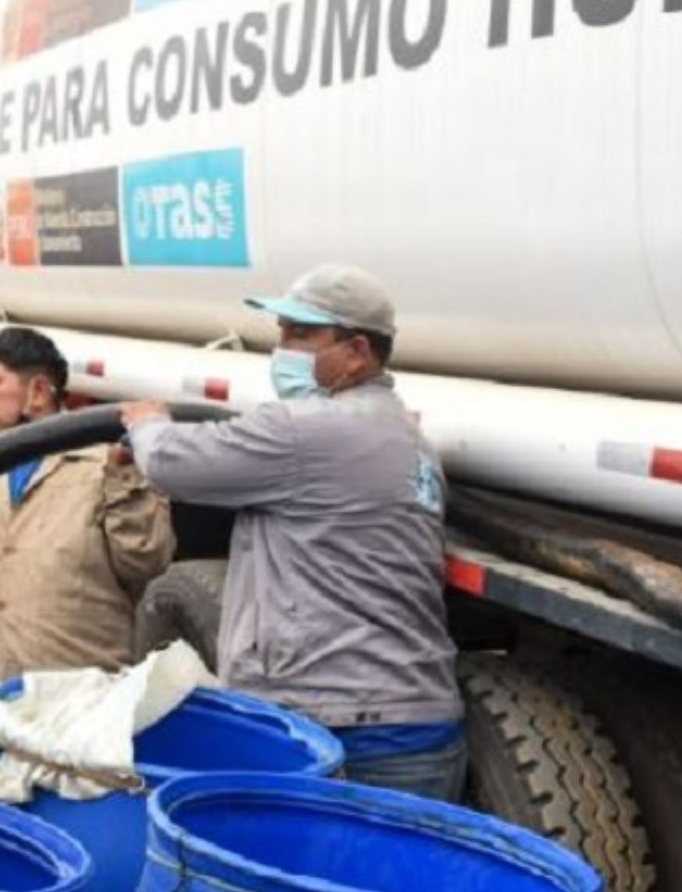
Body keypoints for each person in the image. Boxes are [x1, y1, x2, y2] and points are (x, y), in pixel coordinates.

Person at [118, 264, 464, 801]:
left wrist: (146, 423)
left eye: (301, 335)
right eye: (281, 332)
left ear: (356, 353)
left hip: (342, 727)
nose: (282, 348)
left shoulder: (307, 429)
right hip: (413, 727)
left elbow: (170, 463)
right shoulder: (407, 437)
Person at [0, 327, 174, 779]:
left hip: (76, 707)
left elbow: (145, 561)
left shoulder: (105, 467)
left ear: (39, 391)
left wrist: (128, 489)